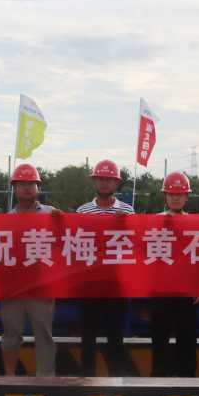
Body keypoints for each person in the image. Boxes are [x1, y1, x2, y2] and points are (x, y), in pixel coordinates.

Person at [0, 163, 58, 376]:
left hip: (42, 287)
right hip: (13, 288)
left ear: (38, 187)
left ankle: (46, 378)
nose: (26, 188)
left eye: (31, 184)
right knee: (11, 334)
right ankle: (9, 377)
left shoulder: (52, 215)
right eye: (21, 184)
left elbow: (75, 236)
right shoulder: (5, 220)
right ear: (14, 188)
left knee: (44, 335)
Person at [76, 159, 133, 374]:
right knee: (88, 337)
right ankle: (86, 381)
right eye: (100, 179)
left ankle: (116, 383)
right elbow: (75, 245)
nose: (104, 183)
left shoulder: (127, 211)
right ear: (94, 181)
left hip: (116, 284)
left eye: (109, 179)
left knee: (115, 337)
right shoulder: (83, 211)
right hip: (89, 283)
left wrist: (125, 224)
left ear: (116, 183)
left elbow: (135, 245)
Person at [149, 172, 199, 376]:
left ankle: (187, 379)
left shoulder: (195, 224)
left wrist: (198, 286)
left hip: (186, 291)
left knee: (187, 337)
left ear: (187, 197)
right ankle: (157, 378)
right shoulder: (153, 222)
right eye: (171, 194)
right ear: (165, 196)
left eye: (180, 194)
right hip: (160, 290)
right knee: (159, 337)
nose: (175, 198)